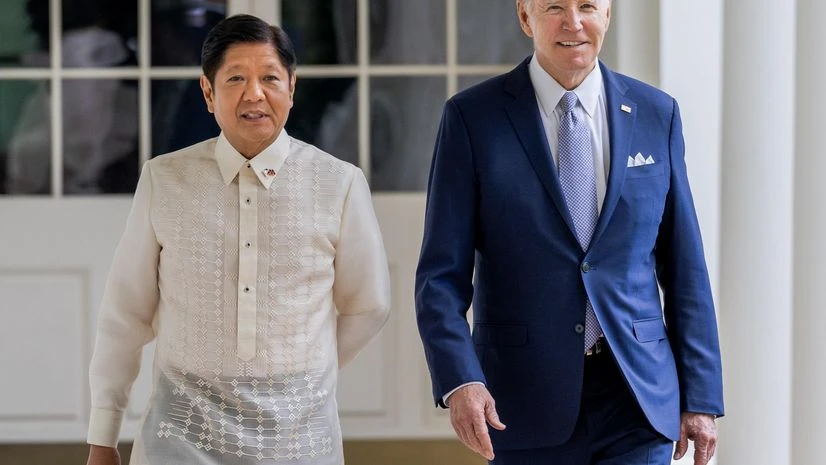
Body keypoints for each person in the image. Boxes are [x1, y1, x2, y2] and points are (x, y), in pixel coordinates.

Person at [414, 1, 723, 464]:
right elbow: (440, 276)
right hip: (522, 398)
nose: (573, 23)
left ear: (608, 14)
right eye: (554, 6)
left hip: (637, 397)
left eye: (587, 6)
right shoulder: (472, 119)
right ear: (525, 17)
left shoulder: (657, 113)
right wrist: (461, 379)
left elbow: (685, 267)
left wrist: (700, 396)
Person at [85, 14, 390, 465]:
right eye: (235, 79)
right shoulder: (164, 179)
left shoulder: (338, 183)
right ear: (208, 93)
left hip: (299, 437)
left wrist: (301, 371)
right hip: (180, 433)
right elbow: (124, 315)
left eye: (269, 77)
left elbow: (368, 305)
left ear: (292, 86)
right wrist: (102, 435)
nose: (255, 94)